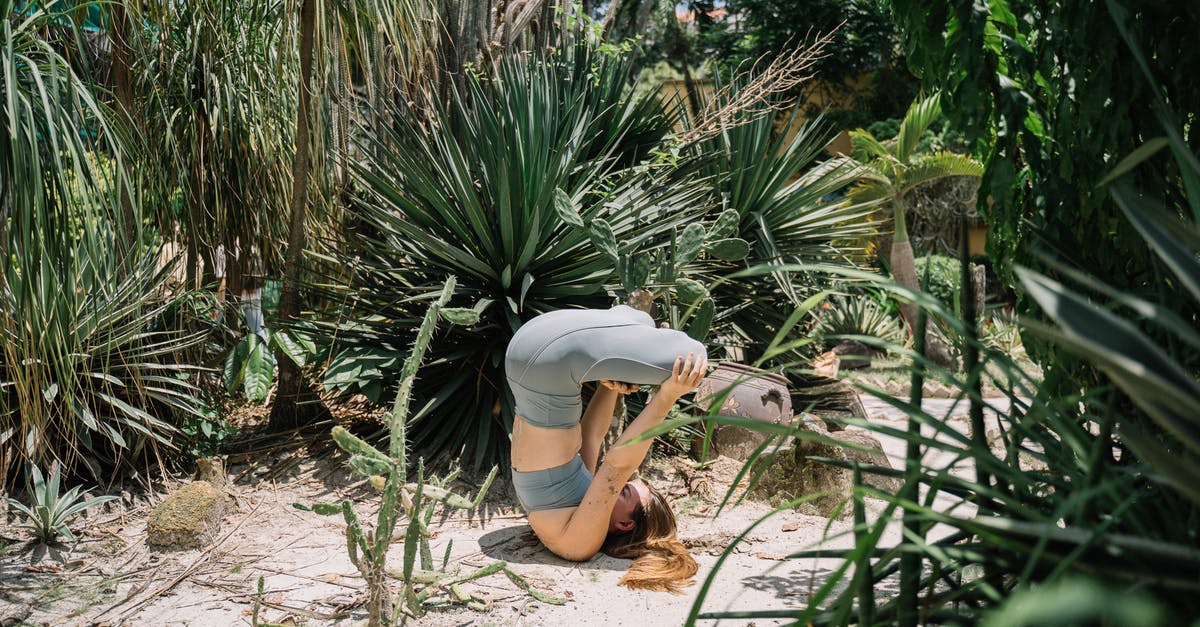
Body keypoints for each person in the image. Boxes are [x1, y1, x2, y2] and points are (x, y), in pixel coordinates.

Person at [506, 304, 708, 593]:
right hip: (533, 360)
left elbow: (617, 466)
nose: (619, 485)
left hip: (550, 359)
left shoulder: (580, 545)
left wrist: (667, 397)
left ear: (626, 525)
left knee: (695, 357)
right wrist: (611, 387)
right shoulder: (572, 506)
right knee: (640, 319)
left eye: (625, 490)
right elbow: (591, 436)